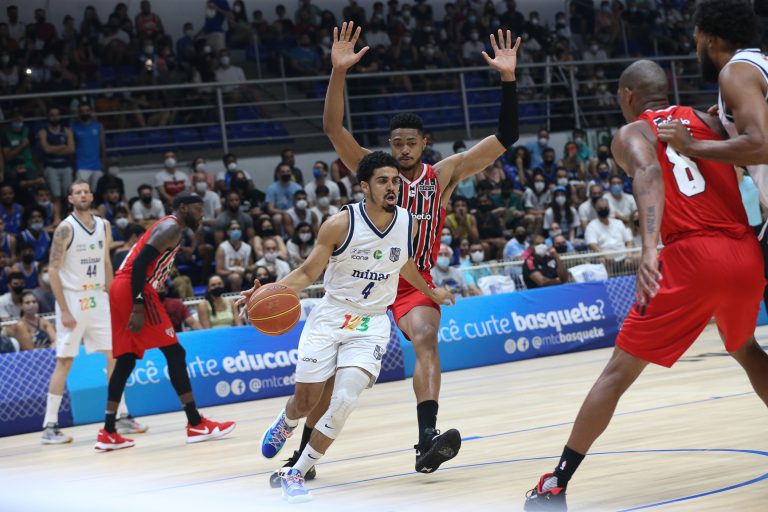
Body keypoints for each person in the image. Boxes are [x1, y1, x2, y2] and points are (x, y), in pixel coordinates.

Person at [523, 59, 768, 511]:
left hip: (691, 258)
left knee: (617, 373)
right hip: (746, 251)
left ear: (628, 96)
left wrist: (650, 246)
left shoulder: (632, 132)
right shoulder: (710, 121)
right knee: (745, 348)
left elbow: (649, 173)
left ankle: (555, 483)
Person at [320, 22, 520, 474]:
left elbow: (505, 137)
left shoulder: (444, 174)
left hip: (414, 282)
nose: (404, 150)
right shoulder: (374, 170)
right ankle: (303, 453)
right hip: (364, 280)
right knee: (331, 378)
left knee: (427, 339)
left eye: (411, 143)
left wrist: (508, 78)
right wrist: (339, 71)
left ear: (424, 144)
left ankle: (426, 439)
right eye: (397, 144)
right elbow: (333, 127)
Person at [238, 152, 454, 502]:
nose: (392, 187)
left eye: (395, 181)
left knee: (344, 400)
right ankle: (287, 421)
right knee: (306, 402)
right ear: (364, 186)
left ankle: (296, 472)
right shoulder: (339, 224)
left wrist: (431, 291)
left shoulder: (408, 223)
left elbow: (404, 264)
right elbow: (307, 273)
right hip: (331, 317)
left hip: (371, 324)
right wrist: (265, 292)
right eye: (383, 181)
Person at [98, 191, 235, 450]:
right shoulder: (171, 227)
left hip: (122, 287)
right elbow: (140, 265)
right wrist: (139, 305)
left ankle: (108, 431)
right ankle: (195, 423)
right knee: (175, 352)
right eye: (197, 209)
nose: (202, 214)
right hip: (135, 288)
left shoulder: (170, 227)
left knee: (126, 359)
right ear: (183, 208)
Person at [658, 0, 768, 315]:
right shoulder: (759, 64)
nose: (695, 49)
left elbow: (761, 145)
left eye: (695, 39)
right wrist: (730, 126)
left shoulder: (736, 72)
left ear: (710, 38)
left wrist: (691, 145)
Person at [42, 181, 145, 445]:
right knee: (65, 360)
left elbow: (106, 262)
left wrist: (113, 297)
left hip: (98, 297)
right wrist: (64, 309)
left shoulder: (104, 225)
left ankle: (121, 415)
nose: (83, 195)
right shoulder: (65, 228)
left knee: (115, 356)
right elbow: (52, 270)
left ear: (91, 195)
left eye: (86, 191)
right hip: (73, 299)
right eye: (77, 192)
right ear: (70, 199)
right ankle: (50, 426)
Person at [37, 107, 75, 214]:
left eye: (57, 114)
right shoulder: (43, 132)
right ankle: (57, 218)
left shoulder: (67, 131)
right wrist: (62, 147)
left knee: (68, 195)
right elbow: (46, 149)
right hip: (51, 167)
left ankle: (69, 216)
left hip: (66, 166)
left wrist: (53, 149)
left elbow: (71, 149)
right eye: (52, 115)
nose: (55, 117)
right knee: (56, 195)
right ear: (48, 116)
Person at [71, 104, 107, 191]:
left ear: (91, 112)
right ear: (78, 113)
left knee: (97, 192)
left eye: (87, 111)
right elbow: (72, 147)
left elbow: (102, 145)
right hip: (81, 165)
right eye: (82, 111)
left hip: (96, 165)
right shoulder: (73, 128)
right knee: (82, 191)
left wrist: (104, 161)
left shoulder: (98, 126)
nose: (85, 113)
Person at [215, 220, 252, 291]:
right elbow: (219, 270)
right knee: (235, 277)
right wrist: (234, 272)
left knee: (253, 276)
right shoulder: (222, 248)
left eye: (238, 229)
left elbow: (250, 267)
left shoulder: (247, 247)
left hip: (243, 274)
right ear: (228, 232)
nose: (236, 231)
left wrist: (246, 273)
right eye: (233, 229)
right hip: (227, 275)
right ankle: (238, 298)